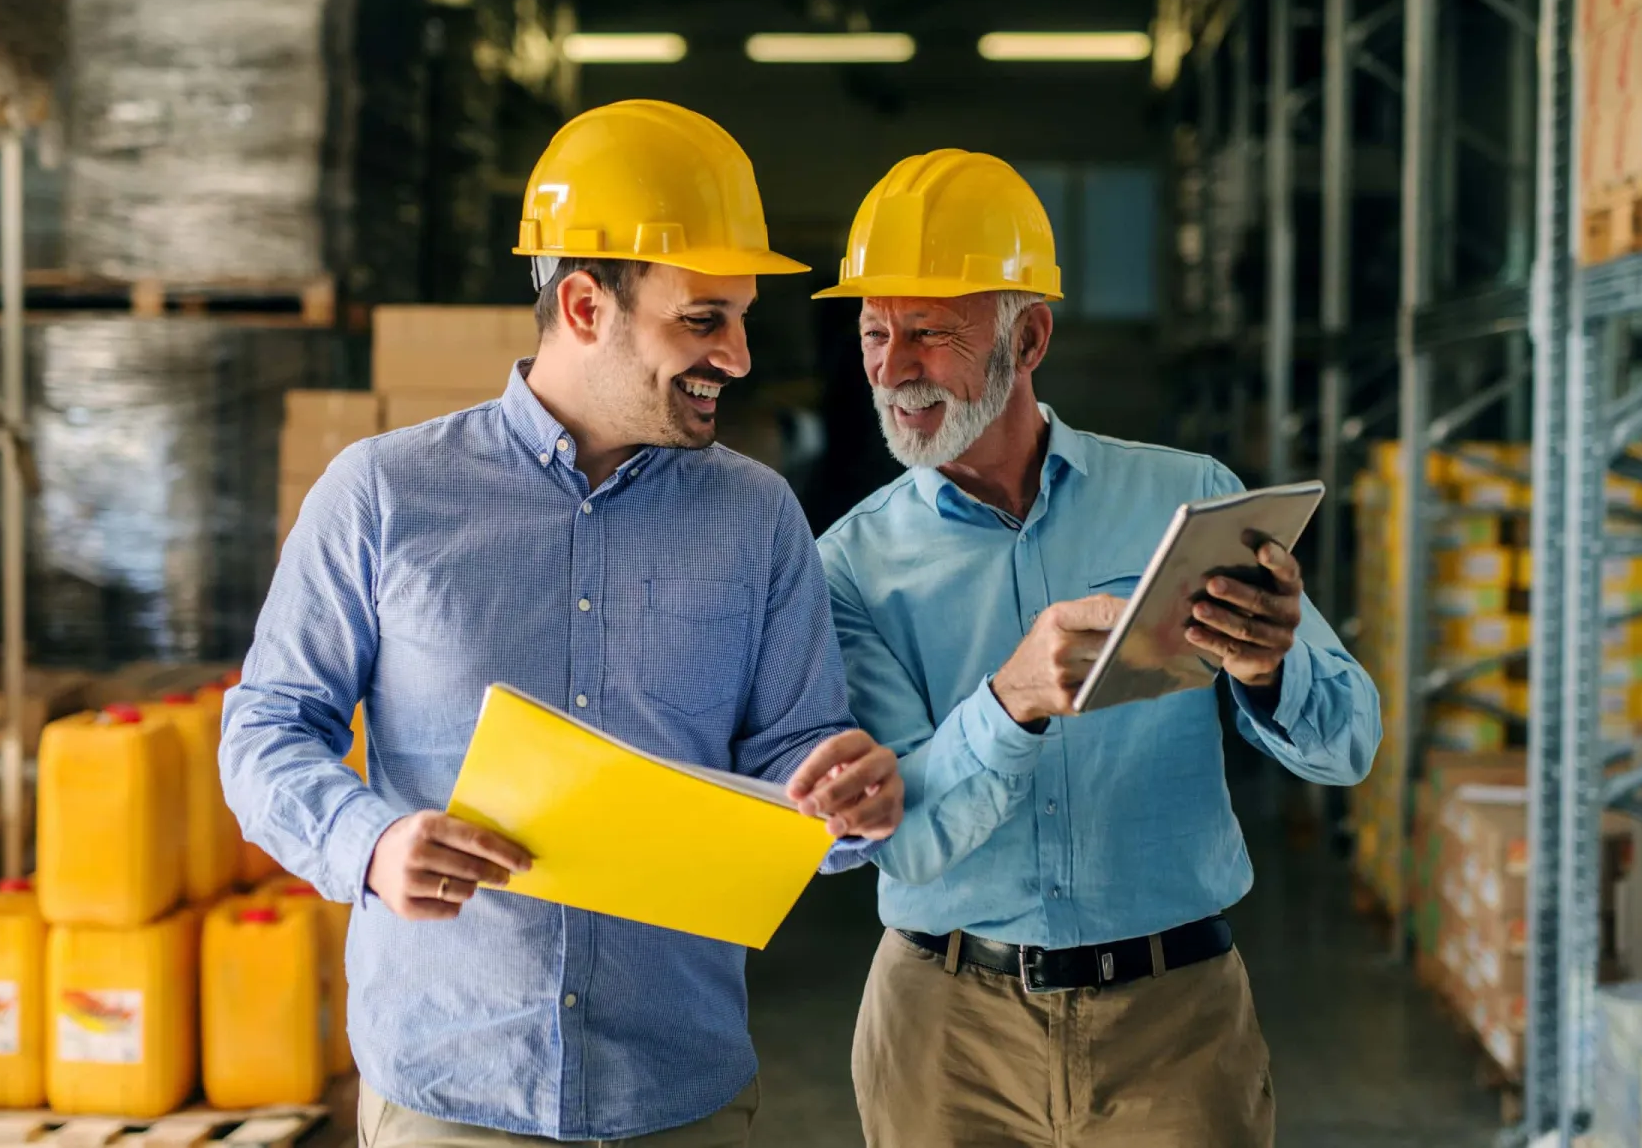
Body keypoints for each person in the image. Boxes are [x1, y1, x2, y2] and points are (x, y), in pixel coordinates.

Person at [221, 99, 903, 1148]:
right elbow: (266, 727)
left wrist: (839, 791)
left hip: (681, 1091)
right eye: (703, 319)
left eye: (742, 317)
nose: (740, 356)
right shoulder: (383, 496)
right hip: (451, 1089)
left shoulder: (758, 516)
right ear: (585, 305)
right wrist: (370, 843)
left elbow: (790, 750)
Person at [814, 150, 1381, 1147]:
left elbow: (1350, 746)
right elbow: (898, 834)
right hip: (946, 1033)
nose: (894, 368)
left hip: (1176, 1024)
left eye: (930, 335)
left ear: (1027, 337)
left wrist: (1270, 667)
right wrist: (1012, 702)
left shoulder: (1187, 496)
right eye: (875, 332)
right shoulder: (848, 567)